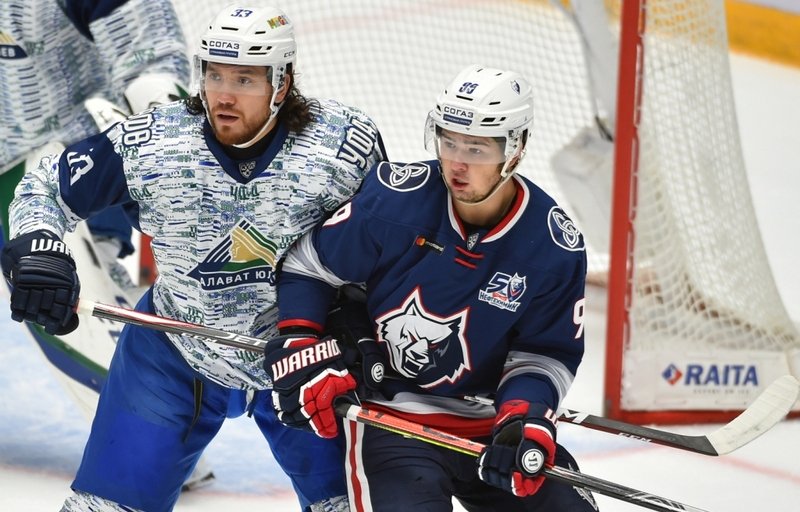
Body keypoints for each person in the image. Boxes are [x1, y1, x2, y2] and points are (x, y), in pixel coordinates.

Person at [1, 3, 386, 512]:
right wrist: (39, 247)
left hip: (304, 356)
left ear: (282, 83)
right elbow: (47, 186)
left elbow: (391, 250)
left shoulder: (343, 147)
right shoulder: (154, 143)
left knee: (354, 505)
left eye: (244, 79)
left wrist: (361, 331)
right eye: (214, 74)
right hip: (175, 350)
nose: (223, 95)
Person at [263, 65, 598, 511]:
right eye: (449, 141)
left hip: (489, 423)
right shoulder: (395, 201)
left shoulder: (553, 246)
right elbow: (309, 265)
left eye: (477, 148)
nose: (457, 163)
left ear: (515, 149)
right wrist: (301, 340)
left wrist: (523, 416)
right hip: (392, 417)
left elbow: (545, 352)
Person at [0, 0, 218, 492]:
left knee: (67, 311)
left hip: (61, 160)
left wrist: (171, 147)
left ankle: (158, 431)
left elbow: (149, 56)